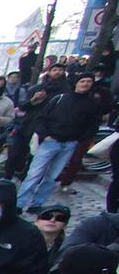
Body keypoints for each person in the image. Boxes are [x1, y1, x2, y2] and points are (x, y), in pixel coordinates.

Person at [19, 73, 103, 208]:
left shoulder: (92, 105)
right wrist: (44, 134)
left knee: (52, 177)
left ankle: (37, 203)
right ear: (76, 83)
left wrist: (80, 139)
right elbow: (42, 118)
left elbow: (93, 125)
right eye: (83, 81)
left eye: (89, 81)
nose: (86, 84)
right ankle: (20, 203)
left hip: (70, 143)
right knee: (34, 174)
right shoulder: (59, 99)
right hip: (50, 141)